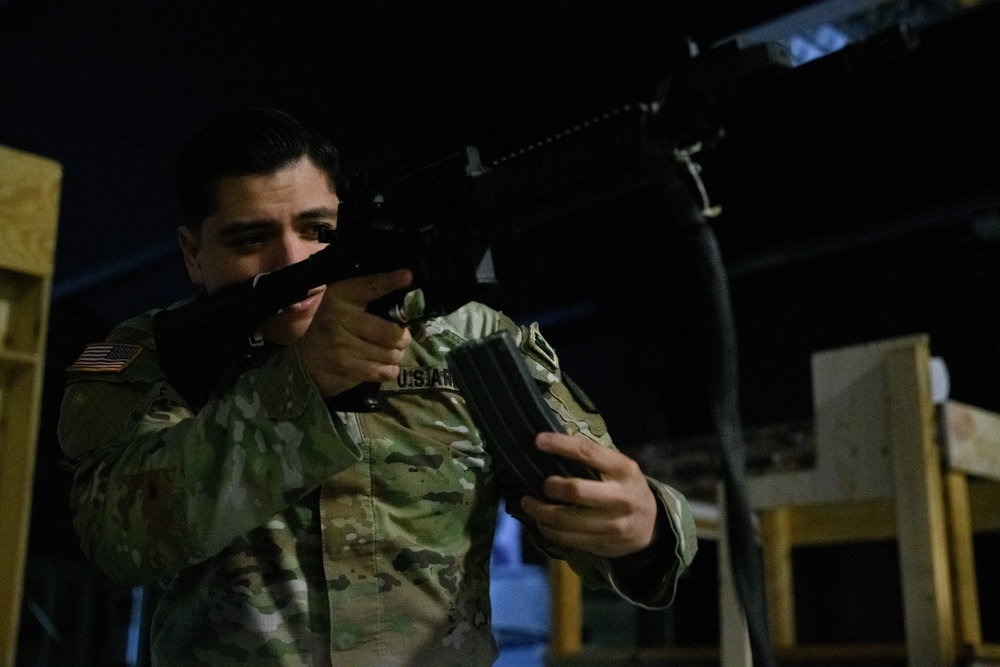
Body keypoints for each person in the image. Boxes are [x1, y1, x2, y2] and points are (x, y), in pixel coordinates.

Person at [58, 108, 697, 666]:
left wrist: (644, 527)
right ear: (192, 253)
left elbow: (594, 496)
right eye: (251, 238)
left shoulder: (460, 337)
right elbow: (117, 538)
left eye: (318, 231)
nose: (294, 261)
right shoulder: (138, 357)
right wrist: (297, 389)